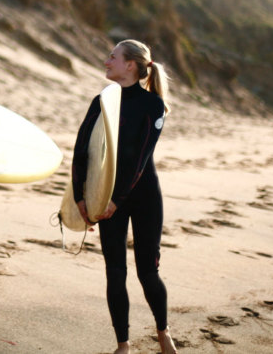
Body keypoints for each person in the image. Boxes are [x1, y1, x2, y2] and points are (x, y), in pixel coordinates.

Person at [72, 39, 177, 354]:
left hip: (142, 196)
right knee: (115, 270)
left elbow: (140, 158)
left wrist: (116, 199)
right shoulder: (102, 101)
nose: (106, 61)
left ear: (130, 65)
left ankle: (163, 331)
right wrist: (80, 197)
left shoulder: (152, 105)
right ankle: (123, 344)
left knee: (148, 271)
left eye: (112, 57)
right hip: (107, 196)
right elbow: (81, 150)